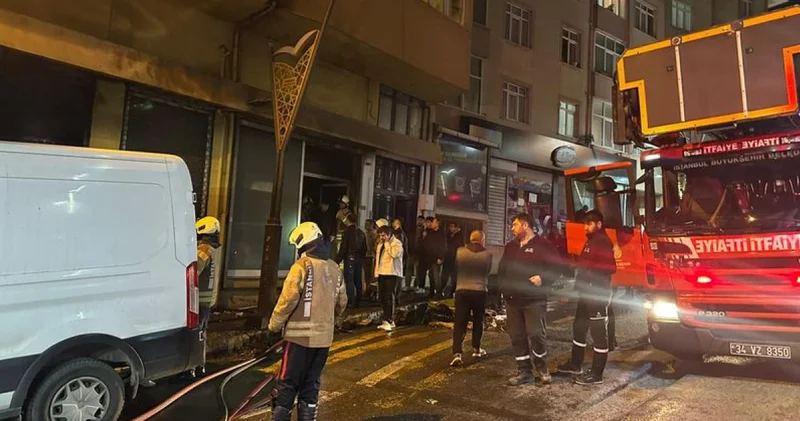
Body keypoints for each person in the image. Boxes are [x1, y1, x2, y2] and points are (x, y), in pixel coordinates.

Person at [268, 222, 348, 421]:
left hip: (298, 339)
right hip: (324, 340)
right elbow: (342, 302)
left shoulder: (301, 266)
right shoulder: (335, 268)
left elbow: (287, 300)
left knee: (287, 382)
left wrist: (274, 326)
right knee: (311, 383)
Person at [499, 213, 562, 386]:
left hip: (534, 300)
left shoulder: (544, 245)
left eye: (515, 224)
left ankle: (542, 367)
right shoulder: (511, 246)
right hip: (513, 300)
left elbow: (558, 268)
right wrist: (504, 289)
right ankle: (524, 371)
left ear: (525, 225)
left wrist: (543, 278)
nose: (512, 228)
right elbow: (502, 269)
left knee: (535, 334)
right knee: (517, 337)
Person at [557, 210, 617, 385]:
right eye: (585, 224)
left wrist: (590, 274)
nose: (585, 227)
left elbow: (610, 267)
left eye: (589, 224)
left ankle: (597, 373)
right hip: (585, 293)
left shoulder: (603, 241)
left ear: (598, 224)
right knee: (579, 327)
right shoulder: (591, 241)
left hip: (597, 294)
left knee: (598, 333)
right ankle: (575, 364)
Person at [450, 230, 493, 367]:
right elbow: (487, 271)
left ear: (470, 238)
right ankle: (476, 349)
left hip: (462, 290)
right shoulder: (487, 254)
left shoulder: (460, 251)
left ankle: (457, 353)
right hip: (479, 291)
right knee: (478, 320)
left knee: (460, 322)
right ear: (482, 240)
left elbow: (456, 268)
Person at [374, 225, 404, 332]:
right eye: (380, 236)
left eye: (383, 235)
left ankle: (390, 320)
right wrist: (376, 272)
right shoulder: (380, 244)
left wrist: (387, 244)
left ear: (389, 234)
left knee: (389, 297)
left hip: (392, 273)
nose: (381, 238)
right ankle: (385, 319)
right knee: (382, 297)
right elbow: (378, 259)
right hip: (382, 272)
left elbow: (394, 254)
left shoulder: (397, 243)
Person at [336, 213, 367, 308]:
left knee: (349, 280)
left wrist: (337, 260)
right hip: (359, 259)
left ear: (348, 220)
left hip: (350, 259)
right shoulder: (361, 233)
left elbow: (344, 247)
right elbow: (364, 248)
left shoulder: (347, 232)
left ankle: (351, 300)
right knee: (358, 279)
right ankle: (359, 299)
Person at [196, 216, 222, 324]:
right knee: (202, 330)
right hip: (209, 301)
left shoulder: (204, 249)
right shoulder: (216, 249)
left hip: (199, 301)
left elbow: (194, 271)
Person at [418, 216, 447, 298]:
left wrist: (441, 257)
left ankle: (438, 292)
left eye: (433, 222)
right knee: (431, 275)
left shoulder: (441, 234)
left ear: (437, 223)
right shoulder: (429, 232)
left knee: (436, 275)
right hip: (429, 257)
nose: (432, 224)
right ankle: (431, 291)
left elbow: (443, 246)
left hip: (436, 258)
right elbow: (424, 244)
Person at [442, 221, 465, 298]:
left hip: (455, 259)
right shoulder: (448, 236)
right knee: (444, 275)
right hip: (447, 258)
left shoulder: (459, 237)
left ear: (456, 228)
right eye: (450, 226)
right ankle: (441, 290)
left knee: (454, 277)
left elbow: (460, 248)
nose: (450, 228)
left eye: (452, 226)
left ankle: (452, 292)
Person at [392, 217, 409, 301]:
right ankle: (396, 295)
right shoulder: (399, 233)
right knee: (397, 276)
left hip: (398, 258)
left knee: (397, 277)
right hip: (401, 258)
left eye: (394, 221)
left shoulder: (399, 234)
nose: (392, 223)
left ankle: (396, 295)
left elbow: (398, 247)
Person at [364, 219, 378, 299]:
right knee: (367, 274)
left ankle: (371, 290)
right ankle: (368, 289)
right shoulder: (365, 233)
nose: (366, 226)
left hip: (371, 256)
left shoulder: (374, 234)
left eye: (368, 224)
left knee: (371, 274)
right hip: (366, 255)